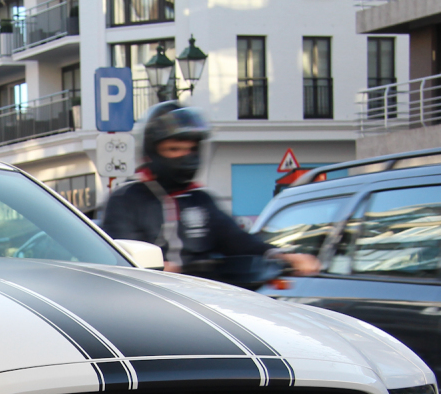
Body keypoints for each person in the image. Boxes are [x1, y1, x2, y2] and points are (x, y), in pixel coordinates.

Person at [101, 101, 320, 282]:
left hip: (205, 302)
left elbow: (236, 239)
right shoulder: (126, 201)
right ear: (152, 151)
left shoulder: (201, 200)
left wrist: (282, 256)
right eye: (174, 149)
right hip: (151, 308)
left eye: (191, 149)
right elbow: (121, 258)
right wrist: (157, 269)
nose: (185, 156)